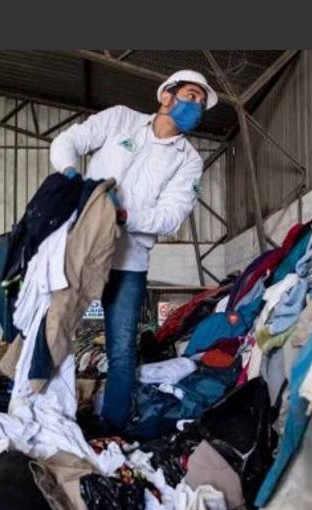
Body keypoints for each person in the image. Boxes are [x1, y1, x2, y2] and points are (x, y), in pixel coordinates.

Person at [49, 69, 218, 432]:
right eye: (191, 95)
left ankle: (112, 432)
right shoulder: (120, 120)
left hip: (130, 263)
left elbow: (171, 217)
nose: (197, 107)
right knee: (54, 334)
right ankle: (49, 417)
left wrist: (122, 214)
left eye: (202, 103)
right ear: (167, 96)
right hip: (82, 250)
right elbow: (66, 142)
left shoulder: (188, 160)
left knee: (122, 352)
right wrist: (71, 177)